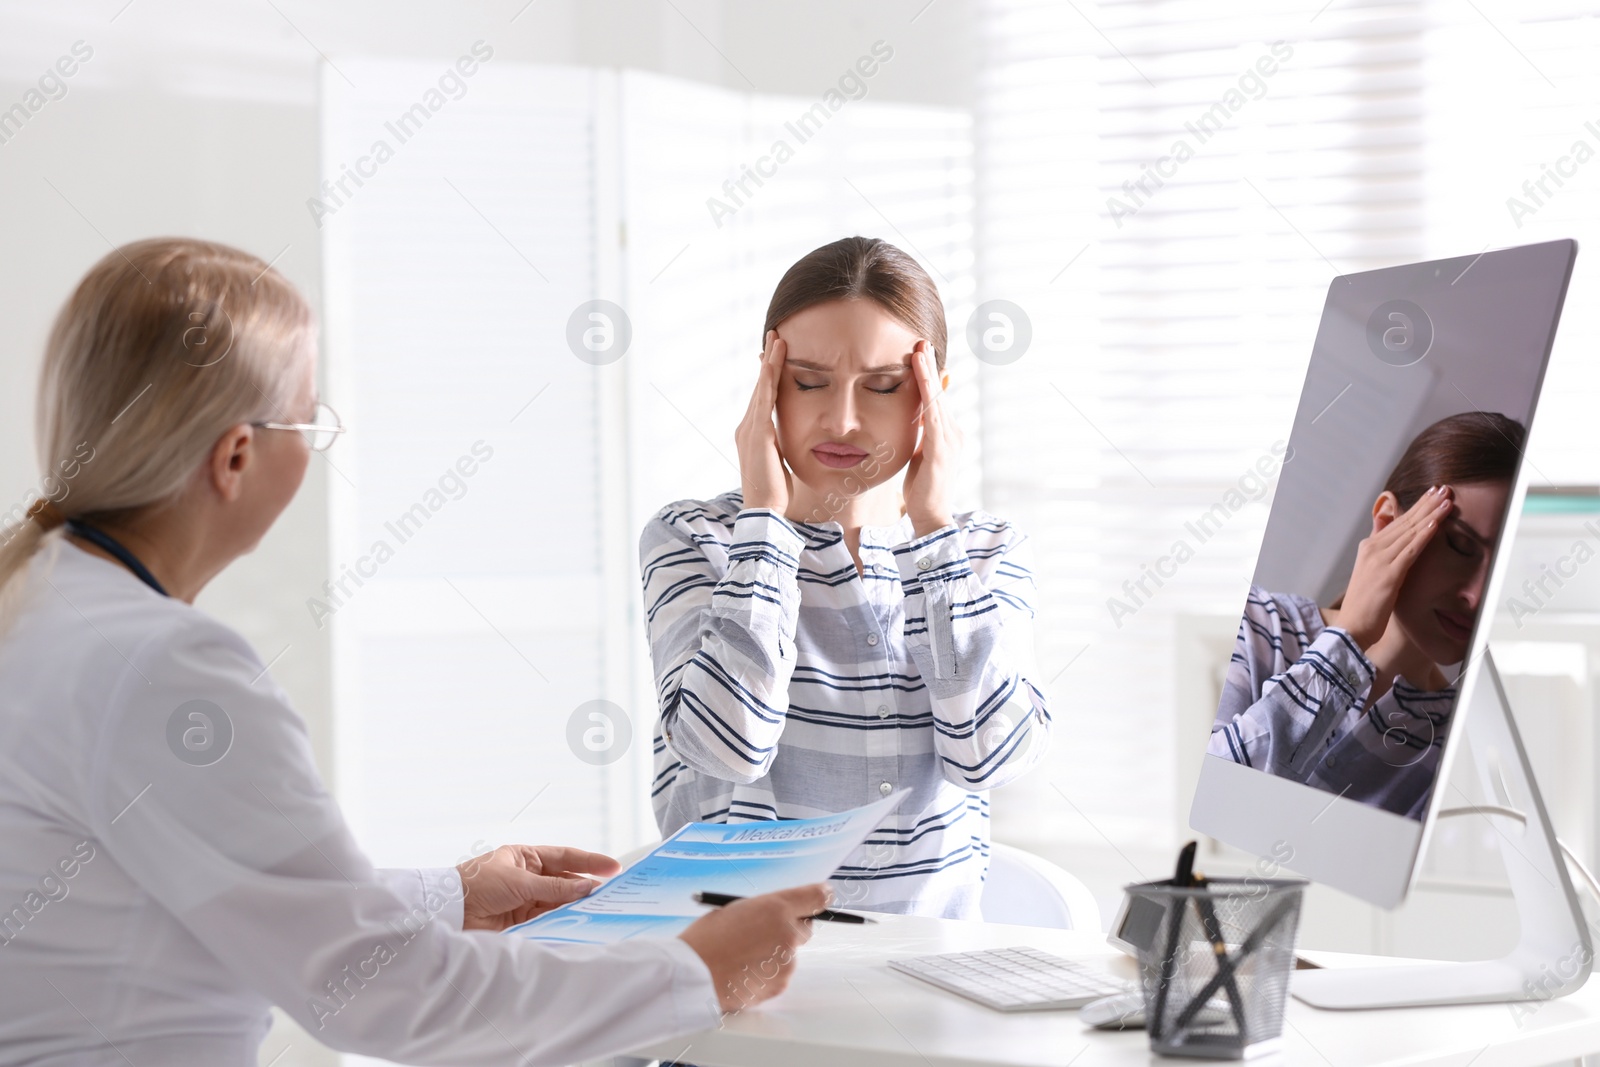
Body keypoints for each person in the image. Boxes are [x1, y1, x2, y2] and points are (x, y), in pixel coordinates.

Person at [0, 237, 829, 1067]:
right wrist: (695, 972)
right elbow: (386, 993)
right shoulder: (169, 673)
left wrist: (449, 894)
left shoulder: (42, 600)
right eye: (311, 420)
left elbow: (219, 877)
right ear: (237, 455)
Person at [640, 236, 1053, 919]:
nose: (842, 420)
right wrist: (768, 524)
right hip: (736, 971)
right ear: (767, 383)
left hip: (933, 979)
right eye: (808, 381)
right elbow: (726, 746)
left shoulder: (981, 551)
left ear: (932, 399)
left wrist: (932, 531)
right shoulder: (697, 538)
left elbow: (992, 759)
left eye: (884, 386)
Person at [1207, 412, 1523, 818]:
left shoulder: (1462, 741)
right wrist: (1350, 638)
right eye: (1460, 546)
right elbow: (1208, 807)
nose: (1478, 597)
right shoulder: (1254, 624)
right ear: (1388, 522)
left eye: (1502, 569)